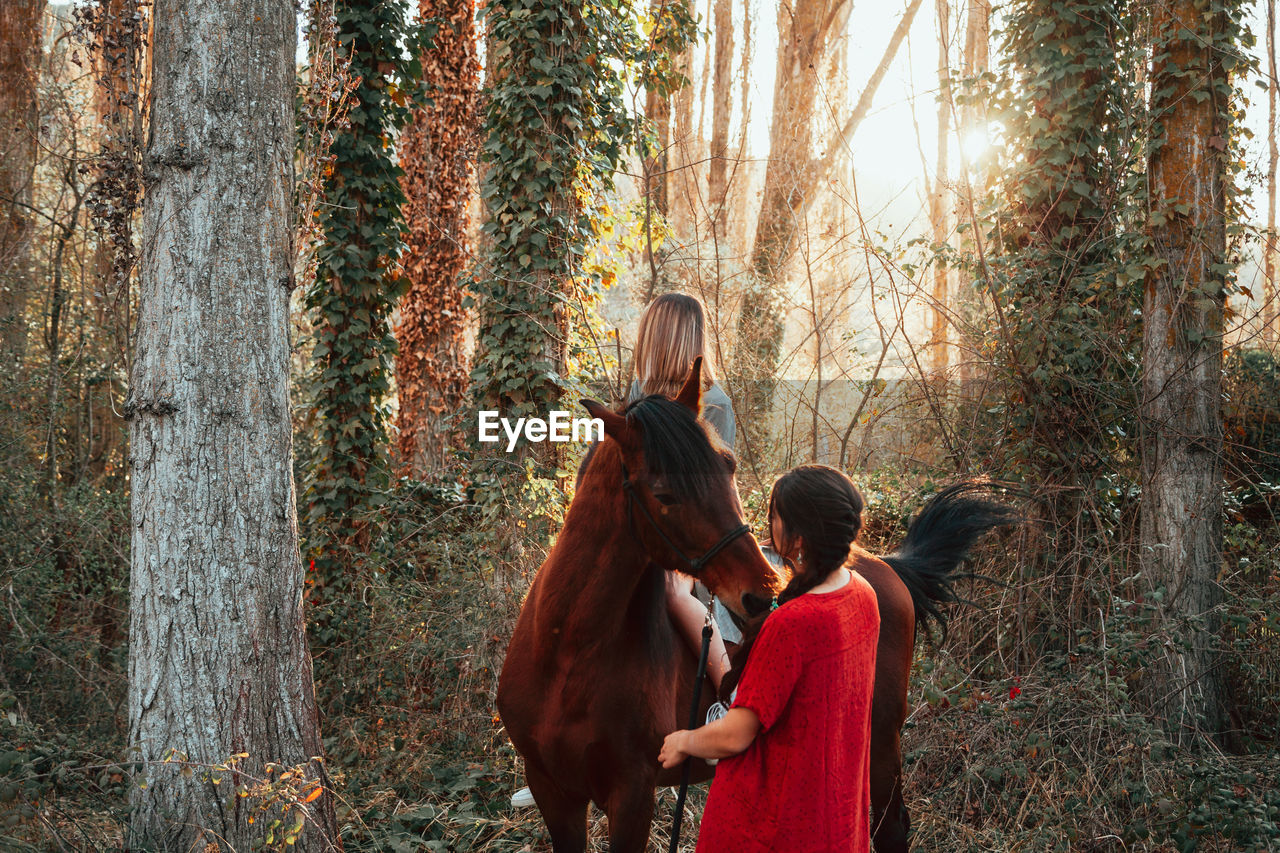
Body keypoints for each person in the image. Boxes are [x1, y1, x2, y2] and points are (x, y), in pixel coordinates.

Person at [658, 465, 880, 852]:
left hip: (775, 823)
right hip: (834, 809)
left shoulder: (793, 624)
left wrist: (684, 740)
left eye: (774, 517)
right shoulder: (863, 593)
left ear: (798, 537)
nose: (768, 525)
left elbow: (735, 735)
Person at [628, 292, 739, 692]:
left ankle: (728, 694)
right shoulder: (639, 391)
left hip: (691, 536)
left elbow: (714, 491)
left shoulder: (713, 404)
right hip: (645, 529)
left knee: (674, 592)